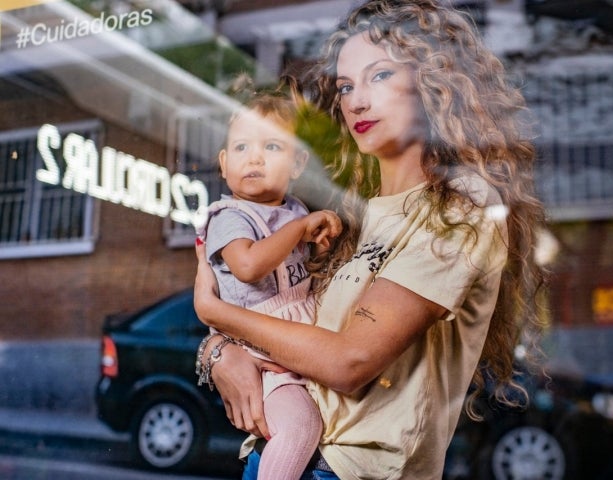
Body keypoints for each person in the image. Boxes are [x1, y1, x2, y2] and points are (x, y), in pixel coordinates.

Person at [194, 1, 547, 478]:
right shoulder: (348, 217)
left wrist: (216, 316)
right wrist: (218, 351)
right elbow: (270, 306)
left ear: (429, 82)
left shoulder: (461, 207)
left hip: (349, 469)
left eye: (379, 76)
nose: (356, 100)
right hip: (282, 450)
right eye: (345, 86)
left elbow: (350, 360)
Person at [195, 80, 342, 480]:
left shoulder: (292, 209)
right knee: (299, 428)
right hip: (264, 361)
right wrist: (299, 230)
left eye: (271, 147)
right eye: (242, 148)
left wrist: (319, 243)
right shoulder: (229, 217)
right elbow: (247, 266)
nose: (254, 158)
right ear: (224, 164)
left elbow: (298, 272)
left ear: (296, 164)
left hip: (296, 346)